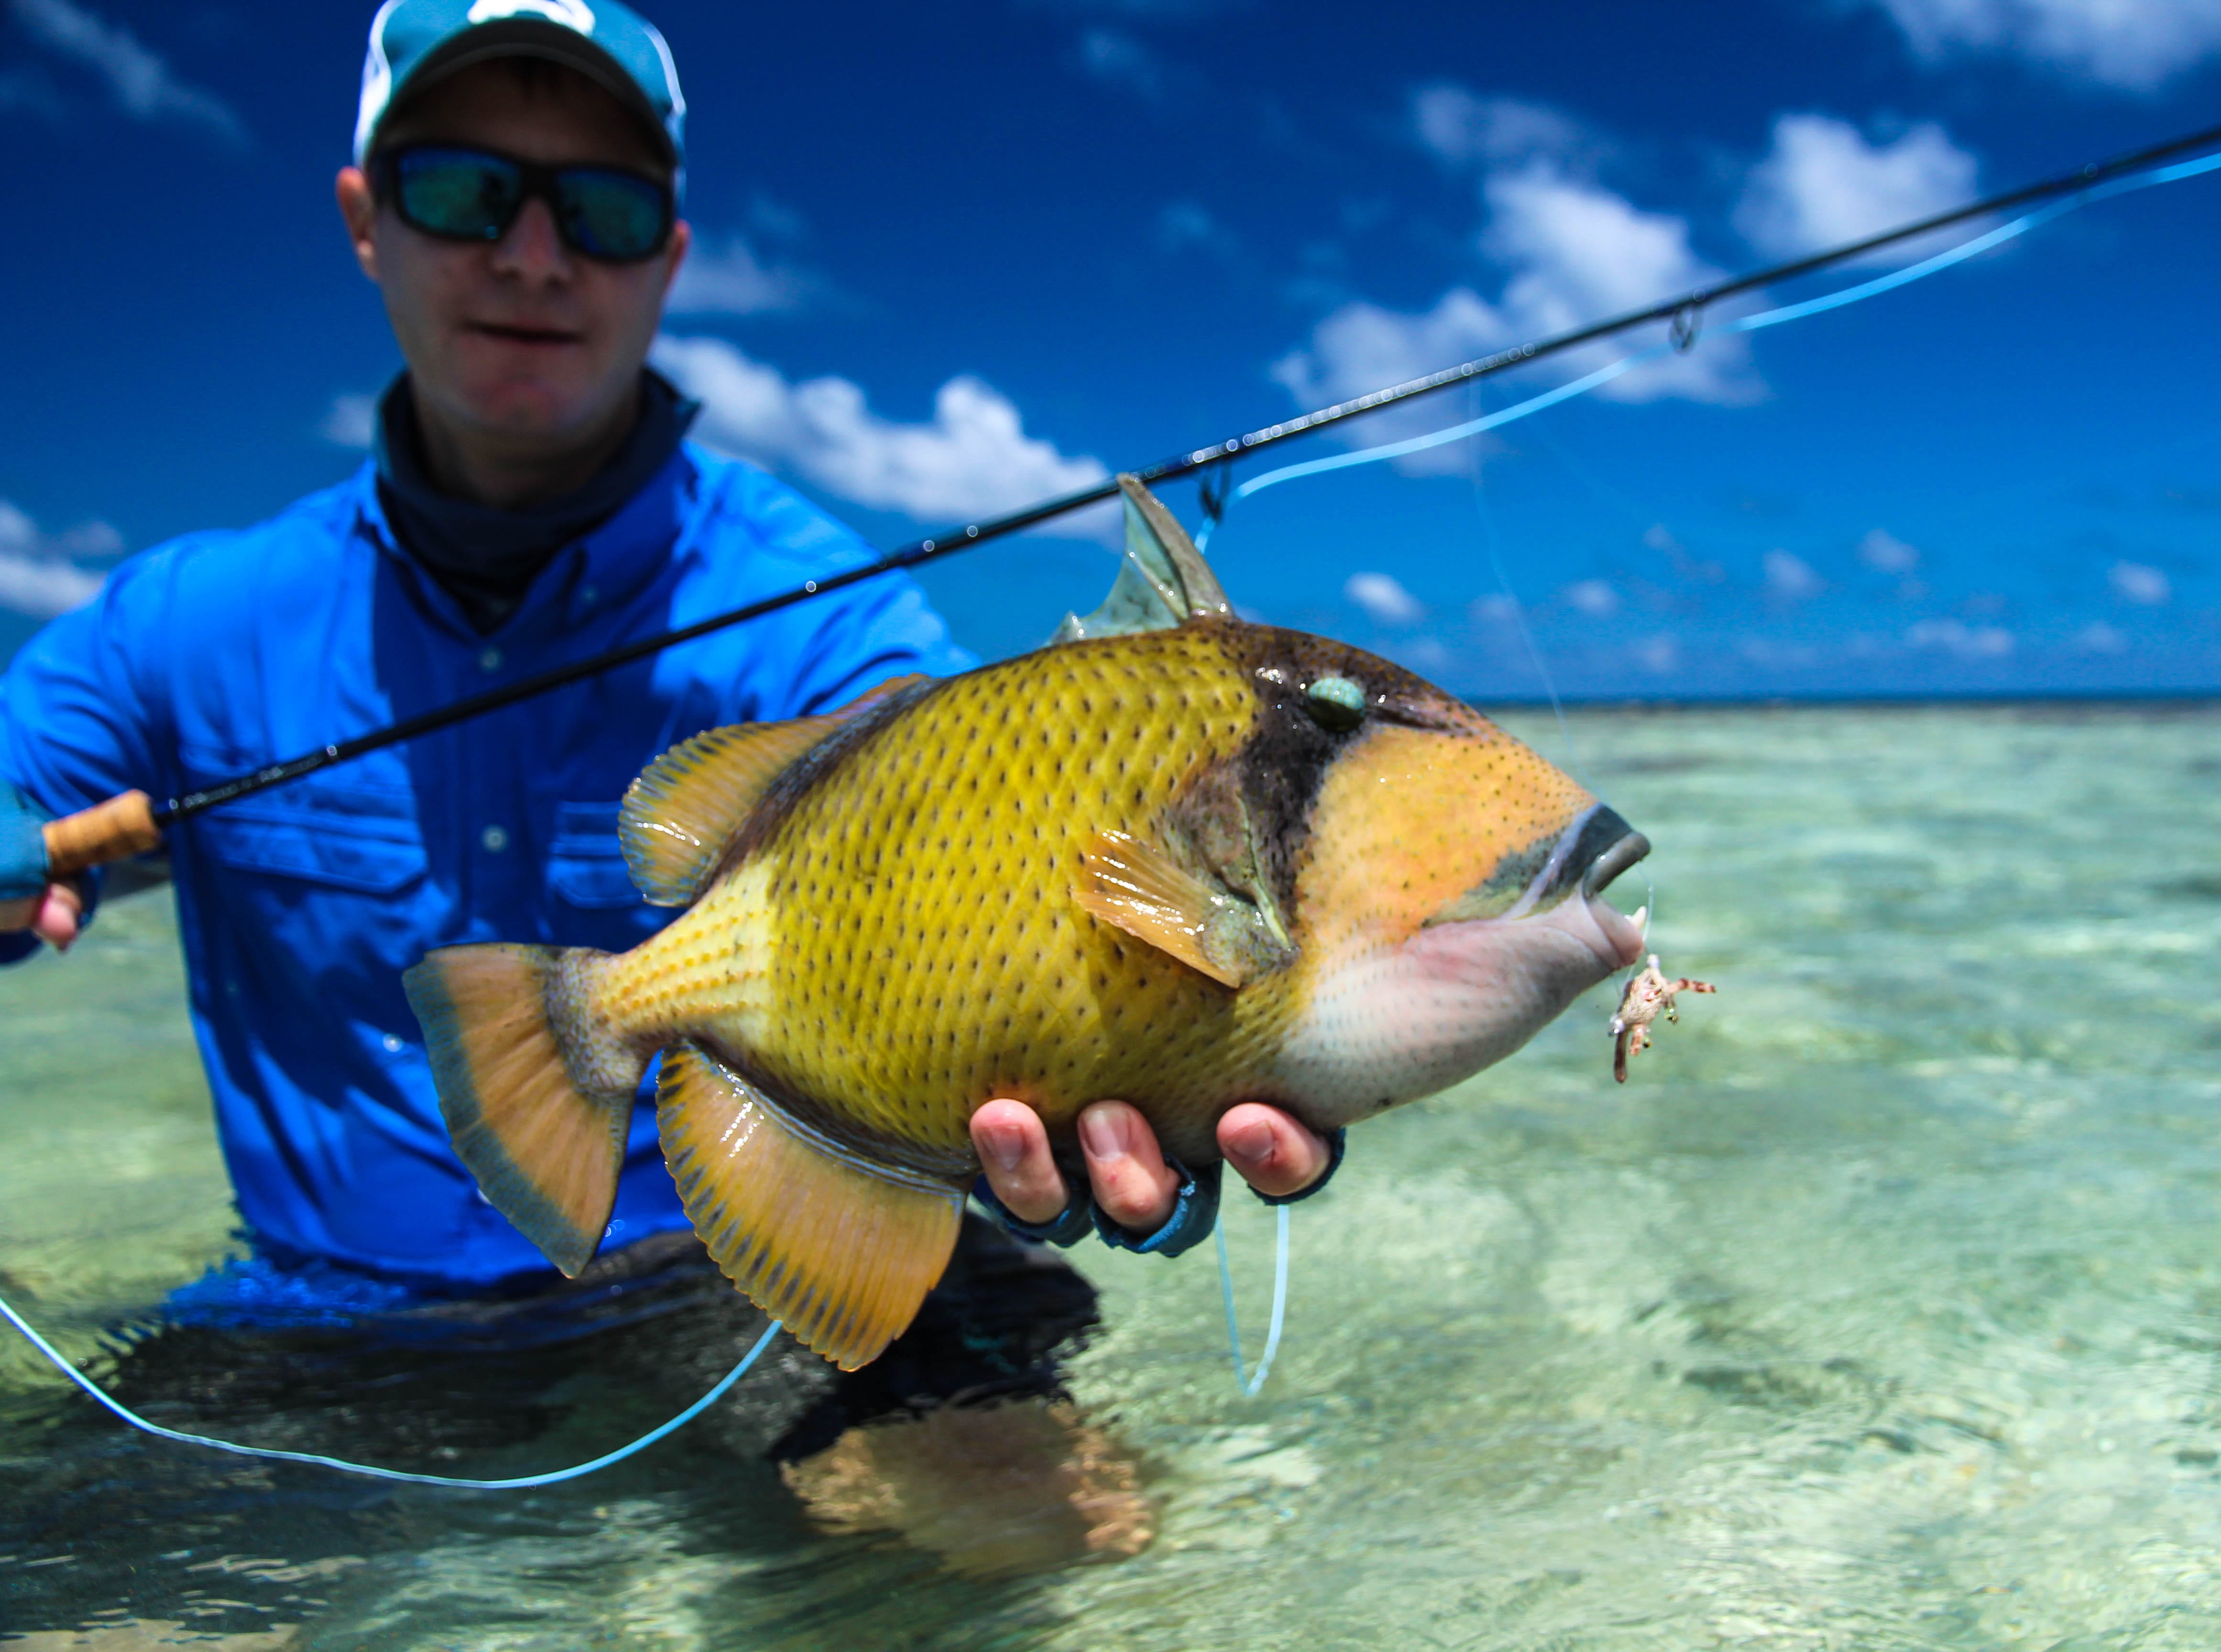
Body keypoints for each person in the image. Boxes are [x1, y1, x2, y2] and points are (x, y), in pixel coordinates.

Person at [0, 0, 1330, 1429]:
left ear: (672, 254)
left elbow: (1011, 830)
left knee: (1048, 1573)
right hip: (328, 1320)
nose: (530, 252)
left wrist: (1184, 1044)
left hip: (734, 1285)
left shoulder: (822, 616)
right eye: (461, 189)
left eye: (604, 207)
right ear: (365, 218)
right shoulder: (174, 632)